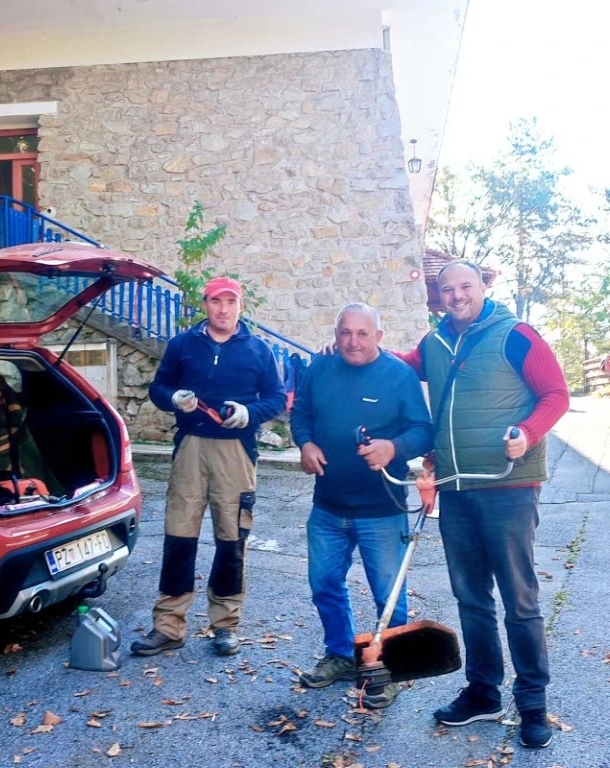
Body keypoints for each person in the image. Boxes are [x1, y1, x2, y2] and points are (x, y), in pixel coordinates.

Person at [323, 261, 569, 747]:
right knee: (472, 598)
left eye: (465, 287)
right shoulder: (434, 345)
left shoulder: (516, 335)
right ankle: (482, 693)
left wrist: (528, 432)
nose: (456, 295)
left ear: (482, 288)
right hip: (456, 486)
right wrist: (358, 346)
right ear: (438, 295)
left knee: (520, 601)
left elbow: (555, 394)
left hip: (508, 486)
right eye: (447, 289)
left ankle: (533, 702)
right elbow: (397, 362)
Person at [131, 276, 286, 658]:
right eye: (216, 301)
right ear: (206, 304)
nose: (223, 309)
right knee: (178, 537)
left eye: (230, 302)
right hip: (190, 449)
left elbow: (277, 398)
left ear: (240, 306)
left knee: (231, 540)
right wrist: (173, 399)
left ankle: (225, 625)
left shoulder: (258, 350)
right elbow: (158, 388)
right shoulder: (182, 345)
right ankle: (168, 626)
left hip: (236, 452)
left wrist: (250, 412)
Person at [290, 303, 433, 709]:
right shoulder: (320, 369)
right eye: (345, 333)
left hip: (381, 510)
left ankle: (390, 669)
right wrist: (306, 443)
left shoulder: (399, 375)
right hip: (328, 507)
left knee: (388, 596)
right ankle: (339, 655)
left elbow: (423, 430)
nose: (352, 341)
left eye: (362, 333)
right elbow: (300, 414)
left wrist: (393, 448)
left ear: (379, 336)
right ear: (336, 334)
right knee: (324, 585)